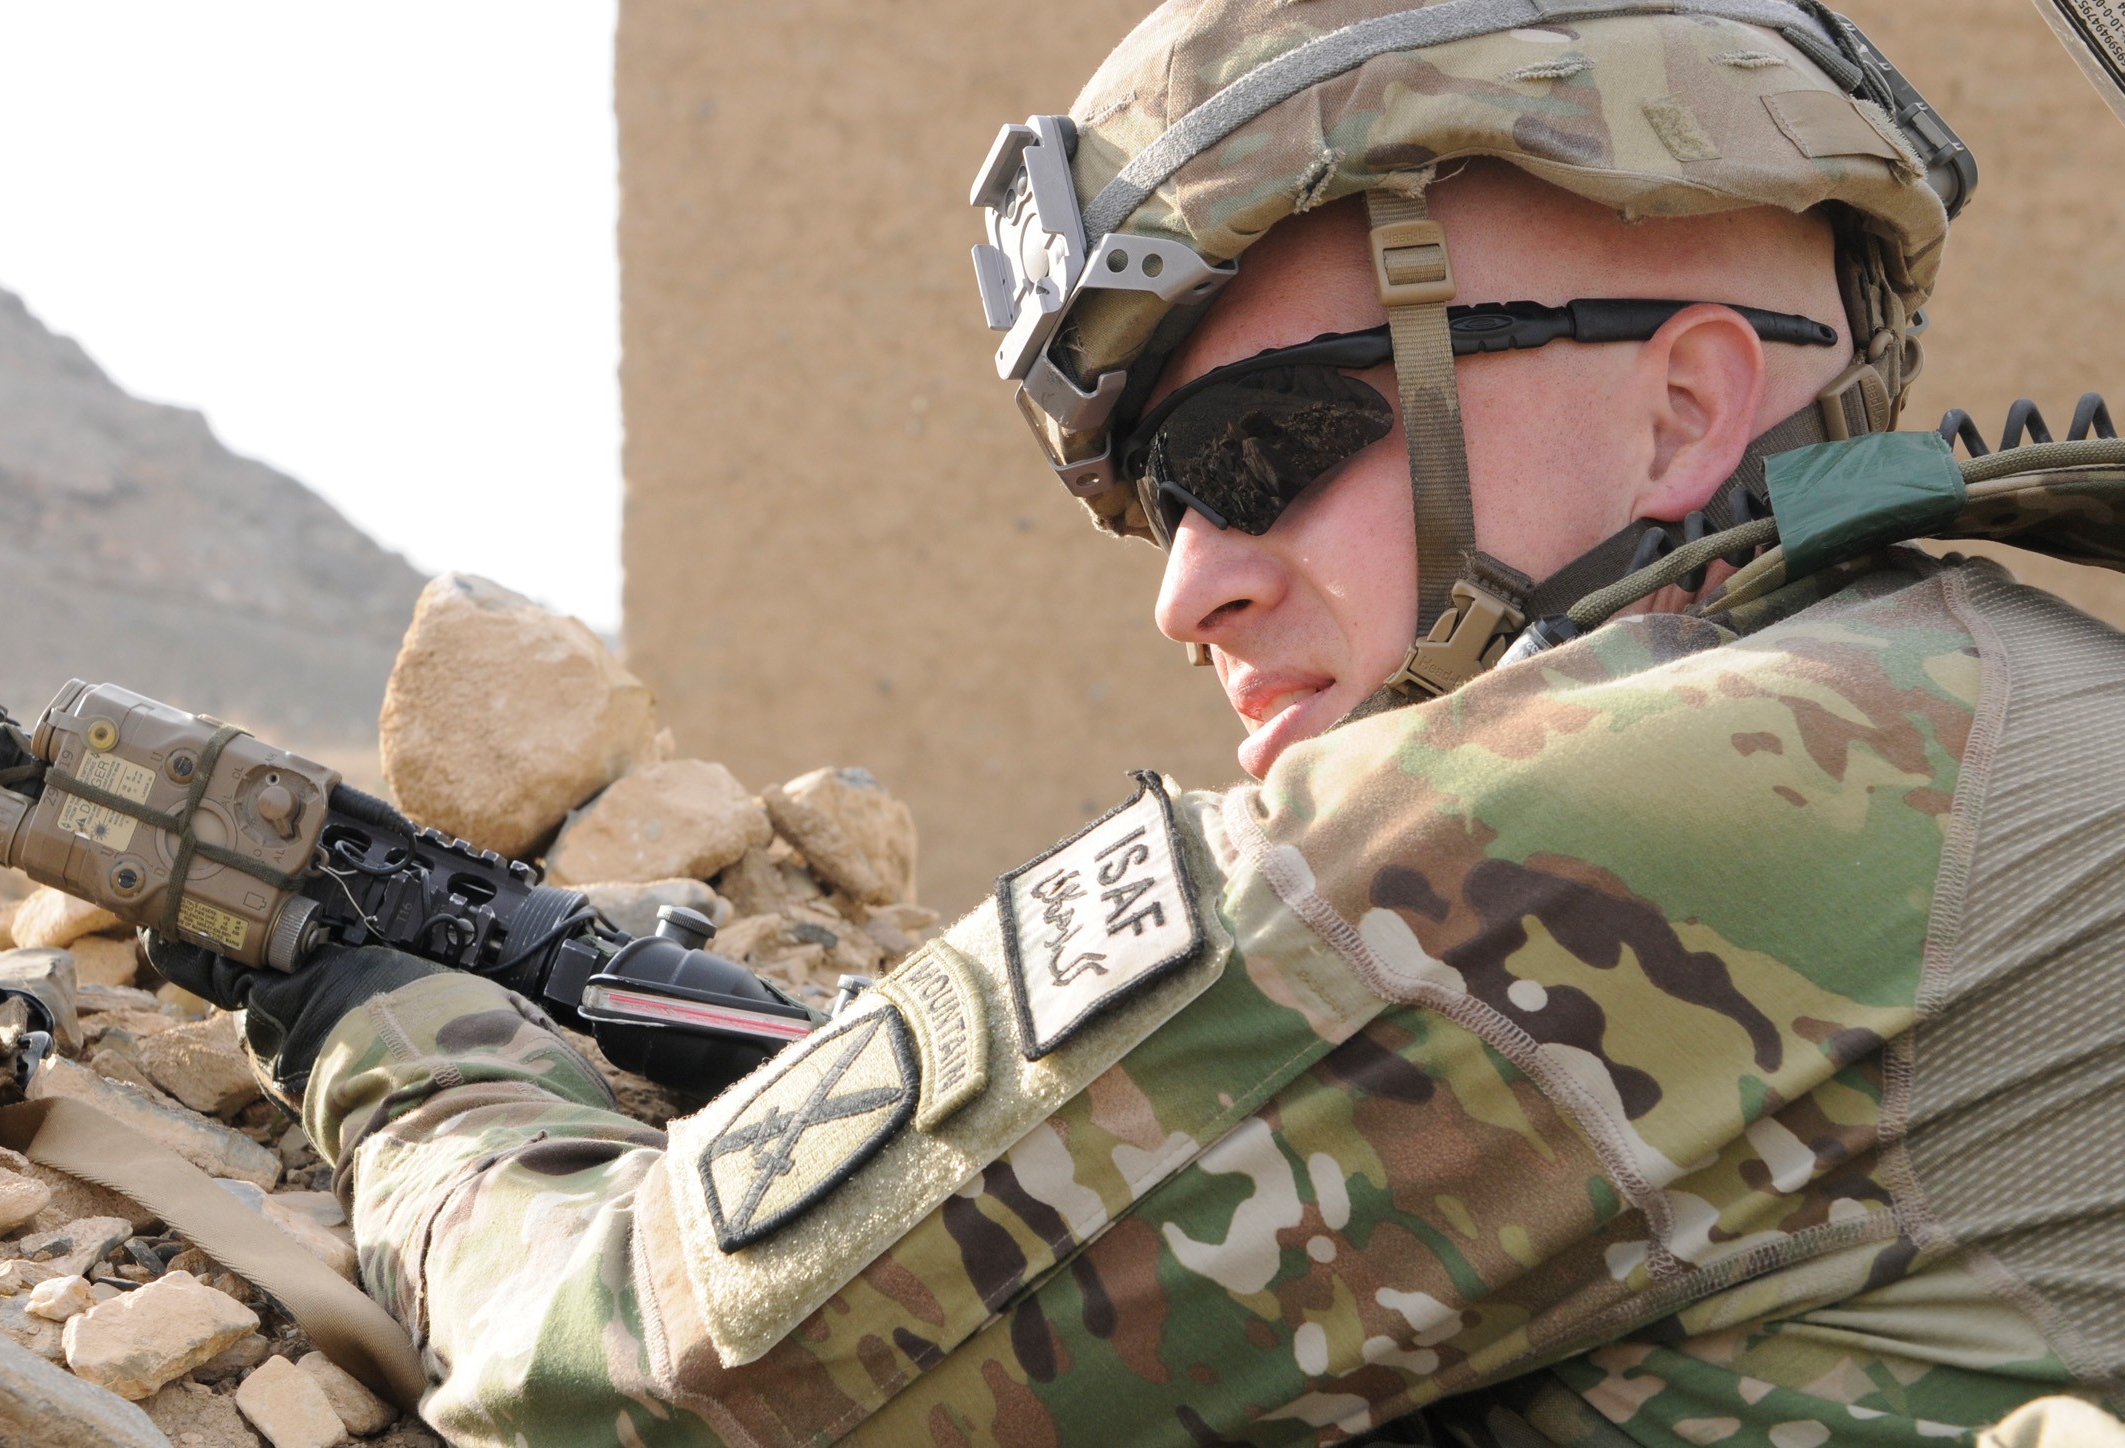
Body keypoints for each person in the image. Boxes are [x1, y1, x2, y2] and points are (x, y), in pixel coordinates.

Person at [151, 0, 2125, 1442]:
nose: (1190, 588)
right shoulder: (1986, 688)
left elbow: (616, 1378)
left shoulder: (1682, 788)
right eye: (1160, 500)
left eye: (1263, 447)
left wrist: (402, 1052)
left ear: (1686, 406)